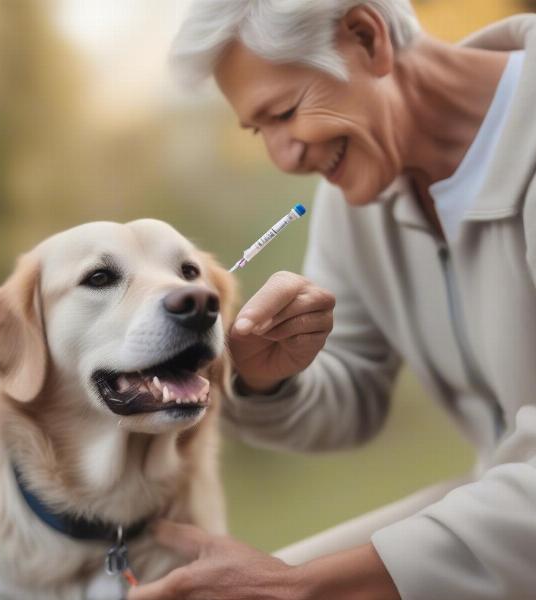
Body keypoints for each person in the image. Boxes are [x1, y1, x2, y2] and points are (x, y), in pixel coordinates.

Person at [130, 2, 536, 598]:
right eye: (257, 129)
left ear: (367, 37)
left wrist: (303, 587)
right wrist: (267, 378)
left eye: (286, 112)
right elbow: (351, 395)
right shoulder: (362, 191)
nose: (284, 156)